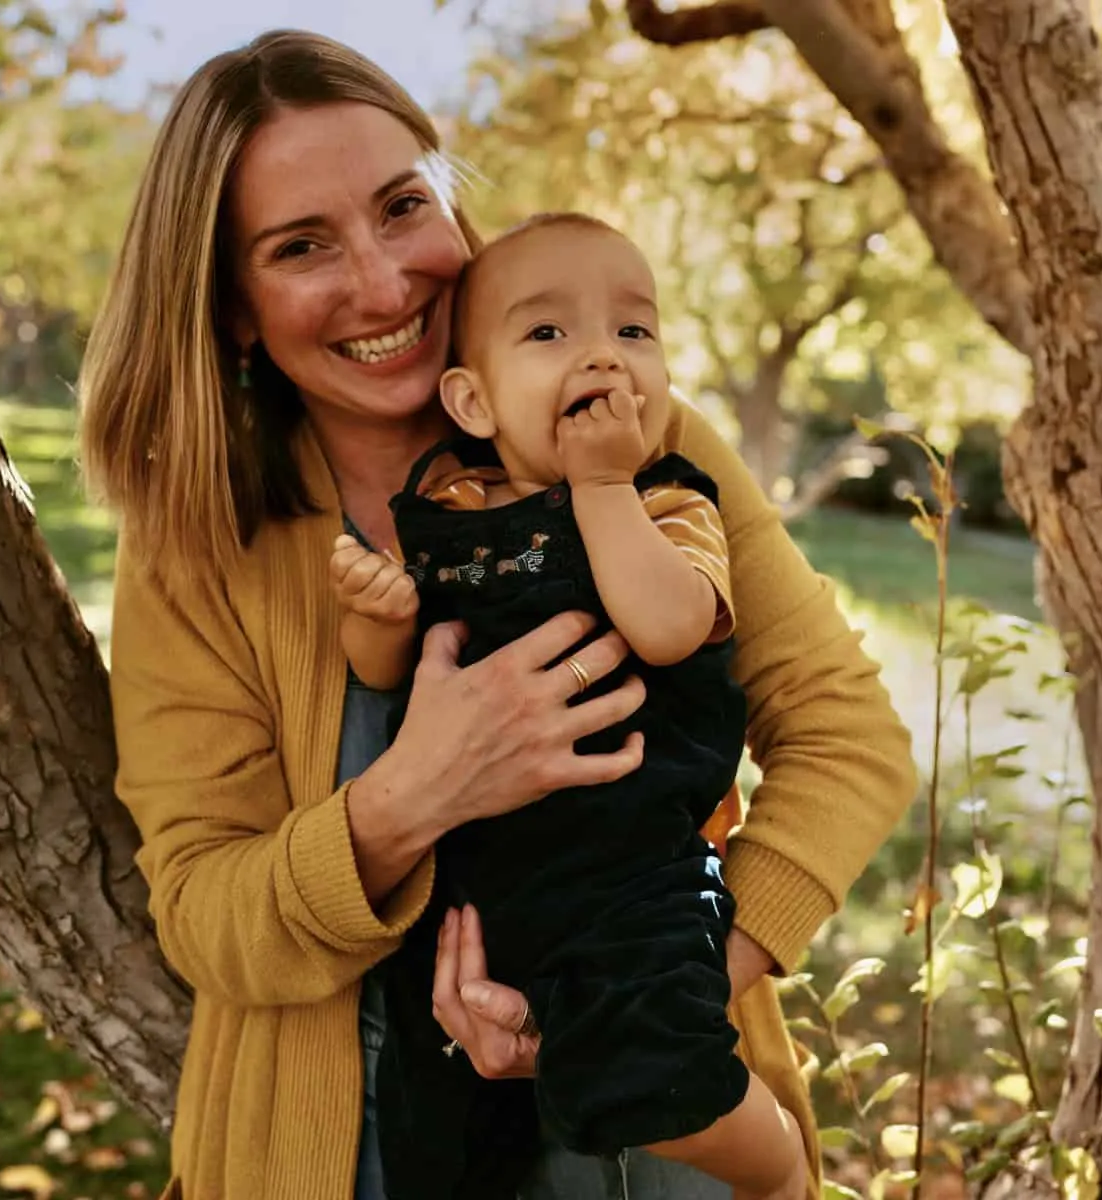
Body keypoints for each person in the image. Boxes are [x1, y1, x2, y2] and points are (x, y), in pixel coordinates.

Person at [77, 28, 917, 1200]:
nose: (383, 283)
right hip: (348, 1145)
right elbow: (206, 914)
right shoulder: (199, 541)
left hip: (646, 1123)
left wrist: (649, 991)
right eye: (302, 246)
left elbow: (847, 738)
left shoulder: (628, 439)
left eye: (402, 206)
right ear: (230, 307)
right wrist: (416, 793)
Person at [330, 212, 805, 1200]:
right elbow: (397, 674)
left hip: (633, 878)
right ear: (471, 399)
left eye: (634, 332)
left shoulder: (670, 504)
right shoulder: (452, 513)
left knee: (664, 1066)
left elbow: (672, 625)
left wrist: (601, 484)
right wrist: (378, 618)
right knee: (442, 1131)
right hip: (484, 897)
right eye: (548, 334)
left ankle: (780, 1170)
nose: (601, 353)